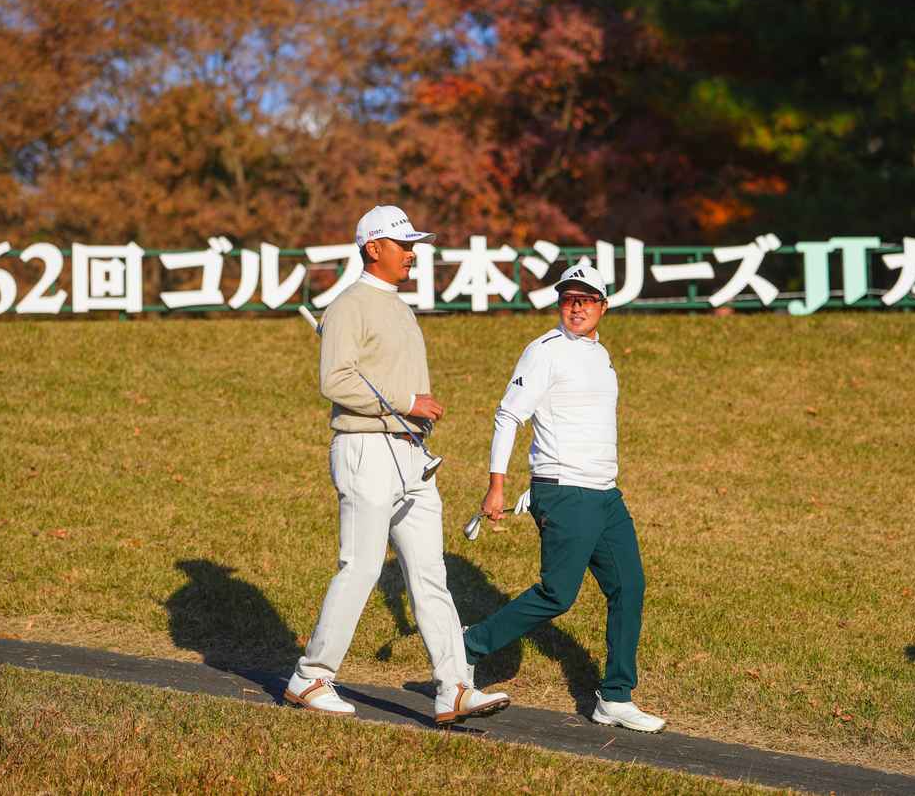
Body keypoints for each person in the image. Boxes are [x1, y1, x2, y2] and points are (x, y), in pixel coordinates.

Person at [285, 205, 510, 726]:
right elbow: (336, 382)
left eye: (414, 245)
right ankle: (312, 675)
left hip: (411, 455)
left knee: (431, 573)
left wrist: (410, 411)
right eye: (403, 244)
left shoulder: (399, 308)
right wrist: (407, 401)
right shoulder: (349, 306)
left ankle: (454, 688)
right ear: (373, 248)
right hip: (365, 449)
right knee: (361, 566)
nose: (413, 254)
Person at [463, 263, 666, 733]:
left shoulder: (602, 355)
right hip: (564, 492)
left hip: (605, 495)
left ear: (603, 306)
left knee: (628, 587)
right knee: (558, 593)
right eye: (569, 299)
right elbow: (508, 416)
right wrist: (497, 483)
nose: (577, 307)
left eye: (586, 299)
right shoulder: (543, 352)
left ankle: (614, 696)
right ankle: (469, 646)